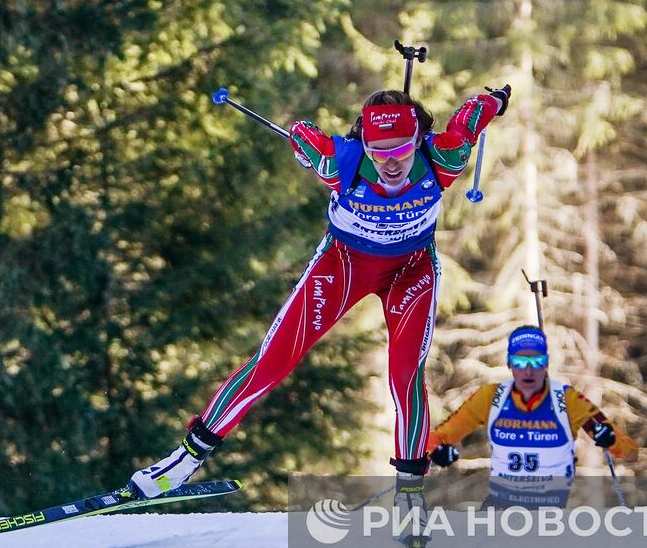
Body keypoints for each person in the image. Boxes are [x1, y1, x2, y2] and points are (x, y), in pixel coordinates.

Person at [128, 84, 512, 517]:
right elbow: (305, 134)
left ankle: (410, 495)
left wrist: (495, 99)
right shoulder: (341, 162)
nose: (389, 162)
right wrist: (301, 137)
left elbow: (470, 119)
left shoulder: (443, 156)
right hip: (342, 267)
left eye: (401, 149)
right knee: (272, 361)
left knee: (405, 376)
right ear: (363, 142)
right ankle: (183, 461)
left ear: (418, 140)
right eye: (377, 149)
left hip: (411, 272)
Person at [425, 325, 637, 509]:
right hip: (500, 504)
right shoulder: (492, 398)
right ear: (509, 364)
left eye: (537, 362)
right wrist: (436, 451)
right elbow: (436, 437)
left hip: (547, 507)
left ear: (546, 364)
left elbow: (631, 452)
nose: (528, 371)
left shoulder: (567, 400)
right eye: (519, 362)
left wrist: (611, 441)